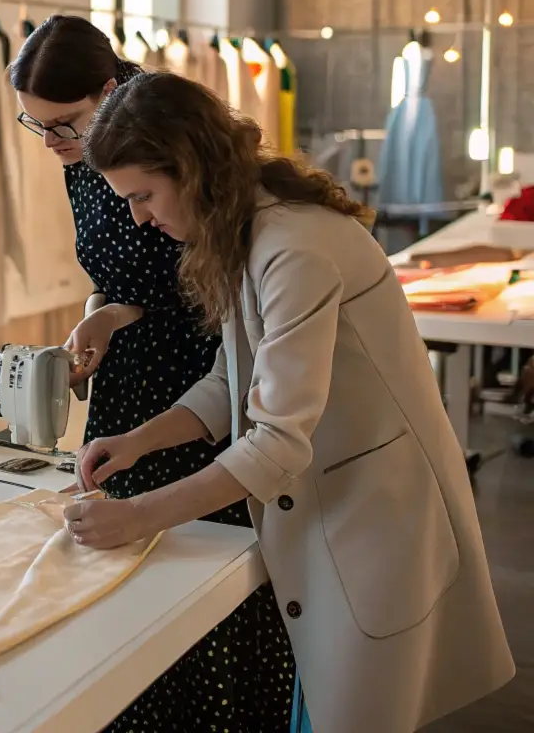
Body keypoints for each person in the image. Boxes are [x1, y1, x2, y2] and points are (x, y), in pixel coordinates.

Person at [66, 69, 515, 733]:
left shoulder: (294, 248)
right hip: (339, 501)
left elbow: (276, 441)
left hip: (375, 512)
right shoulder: (246, 230)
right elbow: (229, 381)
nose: (140, 217)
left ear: (188, 169)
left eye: (144, 195)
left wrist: (139, 515)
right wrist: (139, 441)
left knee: (352, 706)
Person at [9, 16, 295, 732]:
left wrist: (122, 317)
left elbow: (204, 286)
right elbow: (117, 272)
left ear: (109, 92)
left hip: (198, 371)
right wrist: (99, 312)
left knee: (202, 578)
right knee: (124, 574)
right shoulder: (85, 154)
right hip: (133, 378)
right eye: (34, 125)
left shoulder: (163, 142)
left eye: (62, 124)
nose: (52, 142)